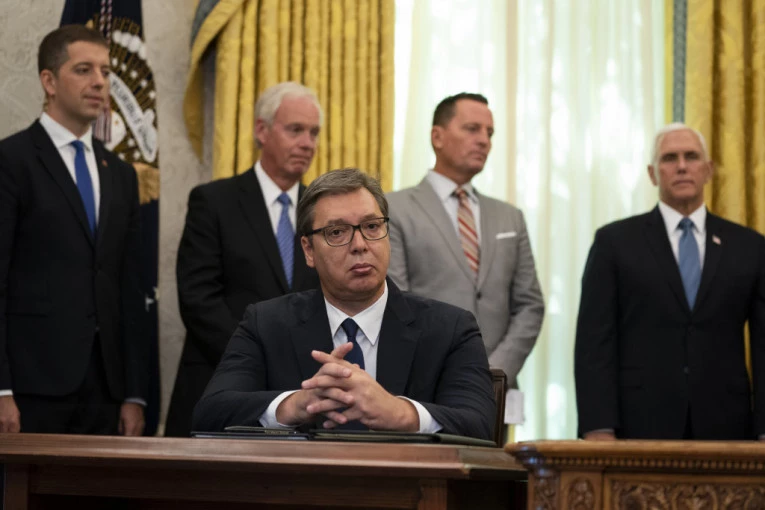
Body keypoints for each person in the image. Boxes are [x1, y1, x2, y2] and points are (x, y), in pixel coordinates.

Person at [192, 169, 496, 440]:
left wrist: (400, 414)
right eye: (337, 232)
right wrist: (295, 405)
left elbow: (480, 424)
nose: (360, 245)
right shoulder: (266, 324)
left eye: (372, 226)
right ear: (308, 250)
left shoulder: (450, 329)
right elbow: (210, 413)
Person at [575, 123, 765, 440]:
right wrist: (598, 427)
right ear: (652, 174)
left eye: (691, 156)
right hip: (639, 425)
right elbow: (594, 343)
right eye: (669, 158)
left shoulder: (749, 246)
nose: (681, 166)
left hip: (727, 427)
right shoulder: (614, 243)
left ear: (708, 170)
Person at [0, 25, 147, 435]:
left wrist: (135, 394)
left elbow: (130, 288)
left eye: (105, 71)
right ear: (49, 81)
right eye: (84, 70)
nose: (100, 82)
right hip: (30, 387)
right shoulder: (11, 161)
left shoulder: (121, 174)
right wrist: (1, 389)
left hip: (106, 390)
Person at [165, 82, 322, 436]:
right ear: (261, 131)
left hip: (304, 402)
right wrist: (260, 359)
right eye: (295, 129)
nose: (307, 143)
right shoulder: (213, 201)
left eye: (314, 133)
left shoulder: (323, 214)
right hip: (221, 388)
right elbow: (198, 300)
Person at [387, 93, 544, 387]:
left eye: (489, 133)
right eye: (472, 129)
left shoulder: (510, 217)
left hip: (498, 387)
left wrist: (494, 372)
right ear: (437, 136)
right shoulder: (393, 209)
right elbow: (397, 303)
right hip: (426, 385)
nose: (484, 140)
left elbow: (529, 305)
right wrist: (449, 375)